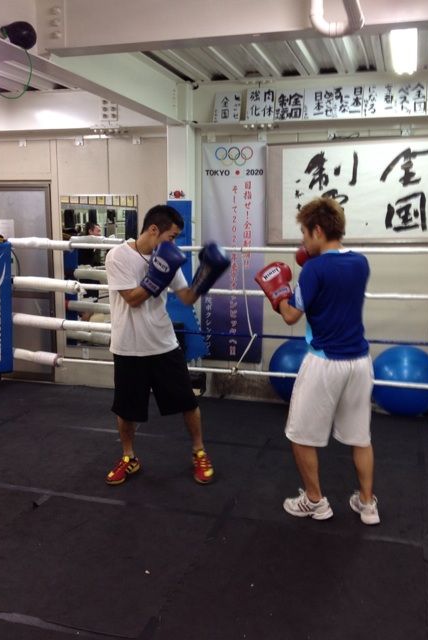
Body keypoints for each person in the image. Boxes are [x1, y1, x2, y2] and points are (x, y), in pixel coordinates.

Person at [255, 196, 380, 525]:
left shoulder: (313, 269)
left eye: (304, 233)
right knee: (360, 437)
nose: (302, 241)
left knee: (299, 435)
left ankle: (315, 502)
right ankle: (367, 504)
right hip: (360, 362)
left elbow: (291, 317)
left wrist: (278, 294)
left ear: (318, 231)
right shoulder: (361, 263)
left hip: (325, 362)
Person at [104, 204, 230, 486]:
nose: (174, 243)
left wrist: (205, 277)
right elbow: (132, 299)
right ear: (153, 230)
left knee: (188, 403)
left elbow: (186, 297)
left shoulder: (167, 258)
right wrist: (156, 277)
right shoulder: (118, 256)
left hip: (163, 344)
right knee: (126, 410)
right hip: (128, 347)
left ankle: (199, 452)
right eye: (171, 236)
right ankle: (129, 457)